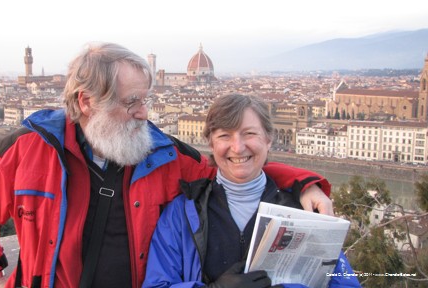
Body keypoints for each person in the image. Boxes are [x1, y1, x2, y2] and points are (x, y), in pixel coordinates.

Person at [0, 42, 334, 288]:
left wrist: (303, 183)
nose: (144, 113)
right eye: (132, 102)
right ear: (87, 102)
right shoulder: (29, 148)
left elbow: (232, 168)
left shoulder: (164, 153)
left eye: (146, 100)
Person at [143, 94, 361, 288]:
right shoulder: (180, 214)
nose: (237, 147)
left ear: (268, 139)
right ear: (210, 143)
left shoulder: (306, 211)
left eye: (249, 133)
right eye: (224, 136)